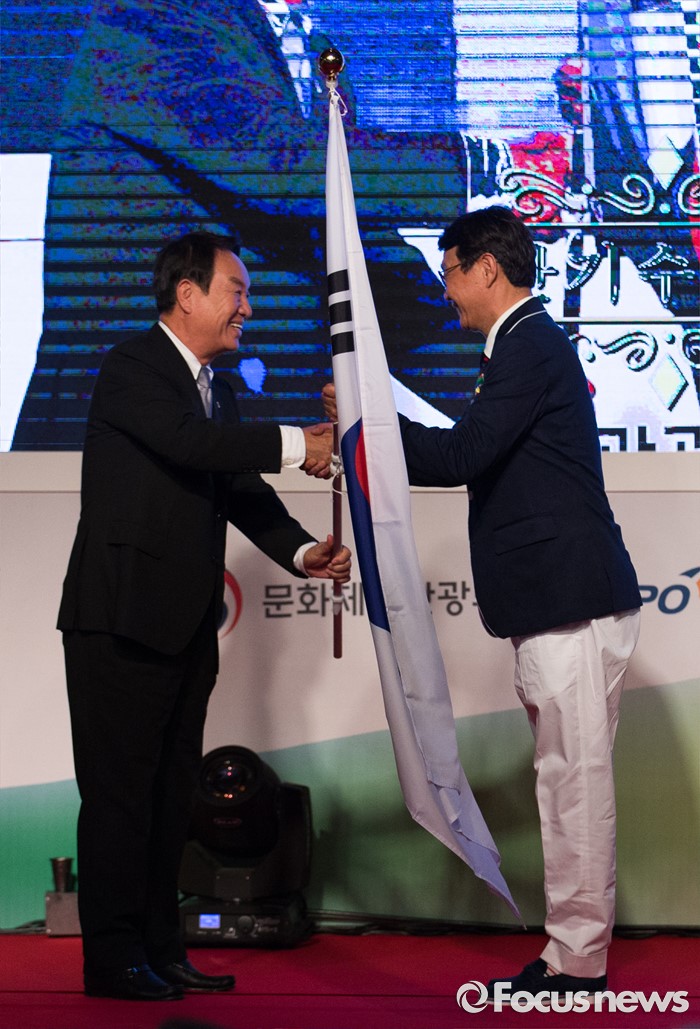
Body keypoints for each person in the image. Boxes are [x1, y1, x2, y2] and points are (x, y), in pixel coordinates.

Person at [323, 206, 641, 1001]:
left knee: (574, 785)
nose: (445, 290)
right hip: (552, 603)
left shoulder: (528, 343)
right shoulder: (519, 345)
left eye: (450, 272)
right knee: (563, 781)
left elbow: (464, 453)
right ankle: (571, 954)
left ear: (487, 269)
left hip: (570, 601)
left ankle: (579, 961)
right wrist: (368, 431)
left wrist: (366, 427)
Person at [59, 230, 351, 1001]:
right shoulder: (132, 367)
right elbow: (189, 444)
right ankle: (113, 958)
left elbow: (239, 487)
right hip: (120, 621)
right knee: (121, 799)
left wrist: (302, 552)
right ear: (186, 295)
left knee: (168, 799)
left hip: (186, 626)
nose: (247, 307)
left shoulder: (215, 388)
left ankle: (162, 948)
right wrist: (298, 443)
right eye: (237, 291)